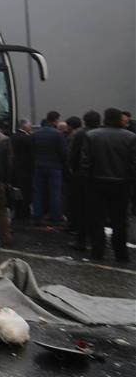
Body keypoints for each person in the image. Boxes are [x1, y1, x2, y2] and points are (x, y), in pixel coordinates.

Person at [79, 108, 136, 263]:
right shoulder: (131, 137)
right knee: (120, 220)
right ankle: (121, 254)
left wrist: (88, 182)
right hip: (121, 184)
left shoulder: (91, 136)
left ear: (105, 118)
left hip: (97, 183)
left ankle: (97, 253)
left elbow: (85, 163)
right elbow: (133, 164)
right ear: (120, 119)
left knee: (96, 219)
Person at [68, 111, 101, 251]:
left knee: (81, 210)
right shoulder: (101, 133)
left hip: (82, 177)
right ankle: (97, 242)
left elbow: (73, 156)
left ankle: (81, 240)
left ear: (85, 121)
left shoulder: (80, 134)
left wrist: (74, 171)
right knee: (98, 211)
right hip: (101, 176)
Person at [30, 110, 67, 227]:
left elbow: (31, 151)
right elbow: (63, 153)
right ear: (56, 120)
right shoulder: (58, 134)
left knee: (38, 193)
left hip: (39, 166)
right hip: (55, 167)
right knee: (54, 193)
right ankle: (55, 218)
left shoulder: (36, 134)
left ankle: (37, 217)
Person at [11, 118, 34, 220]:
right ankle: (24, 213)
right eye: (30, 126)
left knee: (17, 191)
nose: (31, 127)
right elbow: (31, 155)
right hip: (26, 170)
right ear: (25, 126)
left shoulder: (12, 137)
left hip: (15, 169)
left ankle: (17, 211)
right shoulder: (28, 138)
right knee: (26, 192)